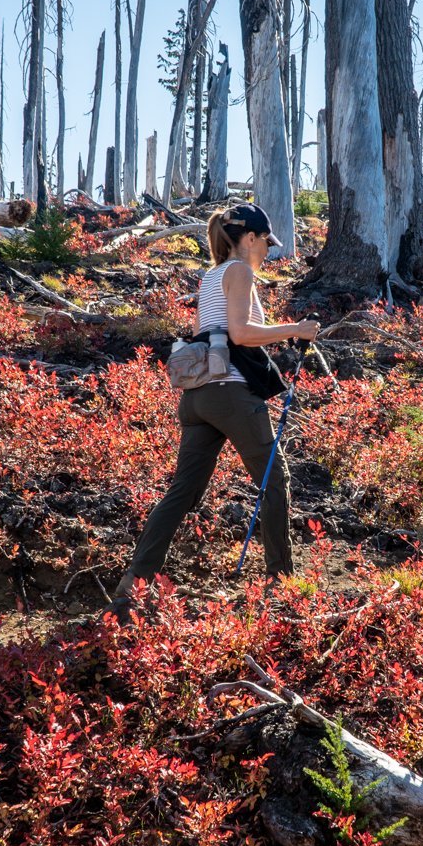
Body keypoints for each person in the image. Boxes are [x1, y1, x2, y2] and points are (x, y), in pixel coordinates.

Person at [108, 203, 320, 622]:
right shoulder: (239, 272)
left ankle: (134, 582)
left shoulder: (212, 276)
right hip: (231, 396)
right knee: (274, 480)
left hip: (198, 398)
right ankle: (282, 583)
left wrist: (280, 334)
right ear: (251, 238)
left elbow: (213, 334)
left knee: (182, 493)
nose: (269, 251)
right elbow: (240, 333)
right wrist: (295, 329)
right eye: (267, 243)